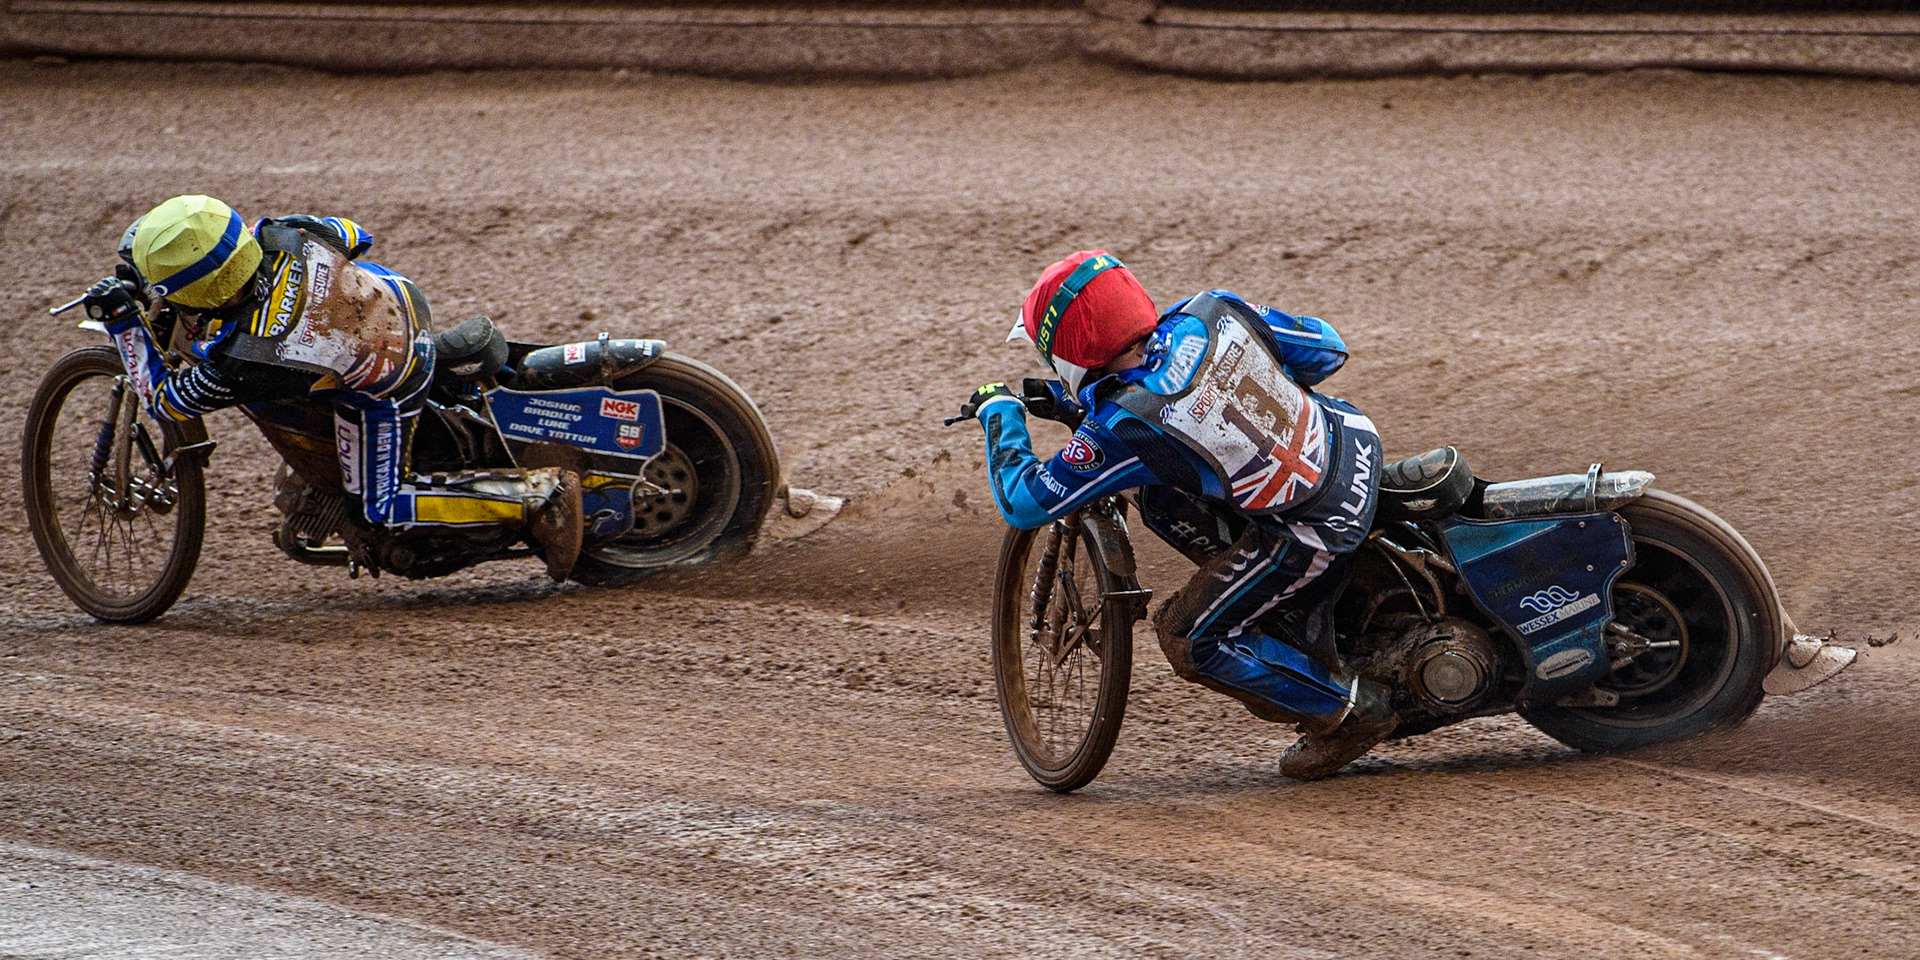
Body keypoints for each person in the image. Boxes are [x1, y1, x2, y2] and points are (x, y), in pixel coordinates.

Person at [958, 250, 1393, 780]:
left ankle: (1348, 710)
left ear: (1069, 354)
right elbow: (1326, 350)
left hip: (1312, 527)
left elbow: (1023, 504)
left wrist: (998, 412)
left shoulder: (1122, 424)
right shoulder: (1210, 310)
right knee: (1160, 496)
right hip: (1355, 442)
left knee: (1189, 636)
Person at [82, 194, 583, 579]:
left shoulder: (250, 359)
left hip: (390, 378)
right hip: (402, 301)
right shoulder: (286, 233)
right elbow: (355, 235)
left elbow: (167, 399)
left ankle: (536, 495)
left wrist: (127, 326)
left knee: (380, 505)